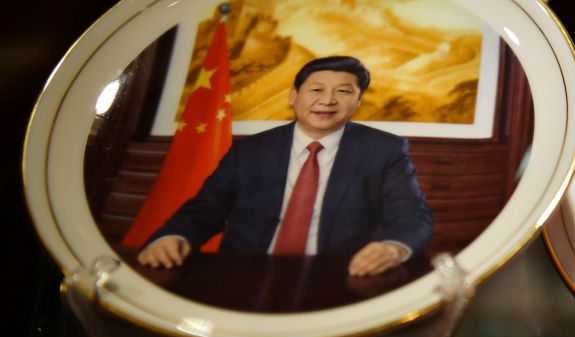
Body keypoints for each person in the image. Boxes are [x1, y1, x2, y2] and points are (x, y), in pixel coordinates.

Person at [137, 56, 433, 277]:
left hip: (339, 276)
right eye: (316, 90)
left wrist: (393, 247)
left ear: (358, 101)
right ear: (294, 96)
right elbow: (207, 207)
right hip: (245, 274)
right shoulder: (250, 150)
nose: (327, 100)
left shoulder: (385, 150)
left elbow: (411, 215)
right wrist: (173, 237)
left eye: (343, 92)